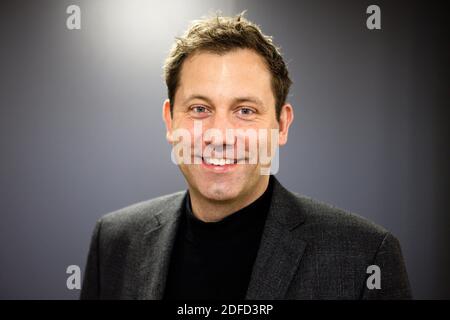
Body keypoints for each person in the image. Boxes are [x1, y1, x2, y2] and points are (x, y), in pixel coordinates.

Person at [80, 13, 411, 300]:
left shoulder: (365, 256)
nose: (220, 135)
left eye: (245, 110)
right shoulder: (114, 241)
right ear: (170, 121)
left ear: (282, 125)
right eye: (199, 109)